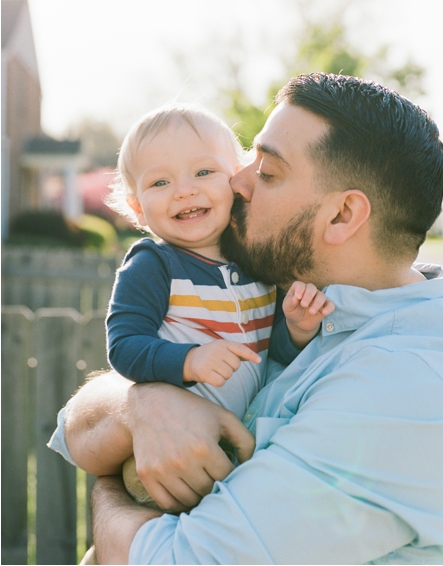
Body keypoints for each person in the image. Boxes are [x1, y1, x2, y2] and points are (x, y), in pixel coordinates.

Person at [48, 73, 443, 563]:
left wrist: (106, 493)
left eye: (267, 173)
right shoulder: (309, 307)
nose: (236, 181)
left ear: (341, 216)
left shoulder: (404, 391)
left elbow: (176, 559)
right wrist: (139, 407)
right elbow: (75, 430)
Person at [101, 104, 333, 506]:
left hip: (242, 446)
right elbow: (124, 346)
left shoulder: (257, 263)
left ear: (238, 180)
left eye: (204, 172)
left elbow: (266, 353)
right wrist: (189, 359)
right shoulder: (154, 265)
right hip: (174, 451)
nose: (185, 190)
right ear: (137, 206)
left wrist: (296, 329)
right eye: (160, 182)